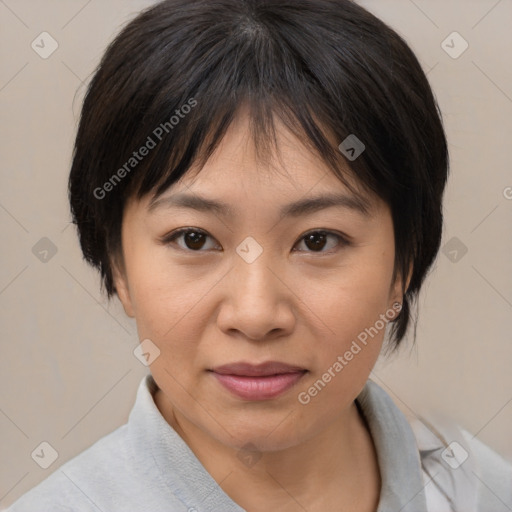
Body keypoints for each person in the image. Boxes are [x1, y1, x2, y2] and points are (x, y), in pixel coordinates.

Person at [7, 0, 511, 510]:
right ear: (118, 265)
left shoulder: (475, 490)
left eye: (318, 240)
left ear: (402, 265)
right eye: (194, 238)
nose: (255, 315)